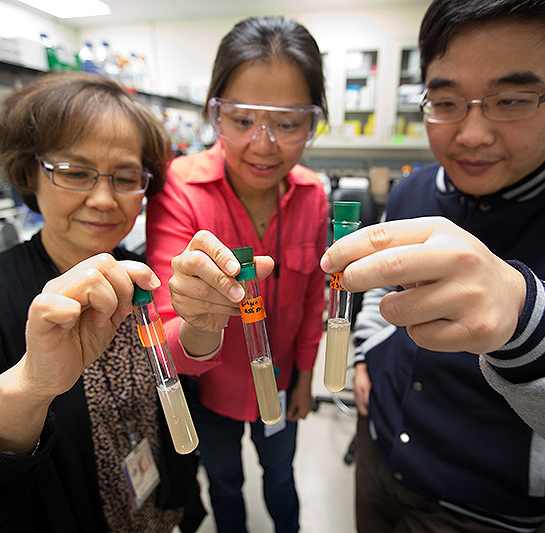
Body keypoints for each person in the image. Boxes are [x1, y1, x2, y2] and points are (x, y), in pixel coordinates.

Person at [318, 1, 545, 531]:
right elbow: (375, 286)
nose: (471, 134)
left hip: (485, 507)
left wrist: (526, 315)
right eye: (444, 101)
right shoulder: (415, 187)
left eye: (511, 99)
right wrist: (367, 354)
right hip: (380, 457)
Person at [0, 72, 205, 532]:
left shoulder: (150, 275)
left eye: (126, 177)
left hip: (161, 511)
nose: (103, 199)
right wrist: (31, 387)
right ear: (28, 172)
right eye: (74, 172)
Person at [144, 16, 328, 533]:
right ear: (214, 112)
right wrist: (197, 312)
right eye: (241, 120)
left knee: (281, 478)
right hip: (212, 392)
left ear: (313, 121)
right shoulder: (180, 188)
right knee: (224, 484)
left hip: (285, 377)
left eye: (288, 123)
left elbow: (317, 297)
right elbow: (166, 332)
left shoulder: (313, 195)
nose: (263, 145)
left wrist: (307, 379)